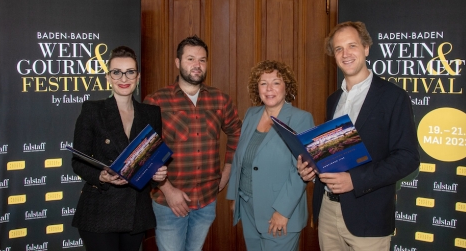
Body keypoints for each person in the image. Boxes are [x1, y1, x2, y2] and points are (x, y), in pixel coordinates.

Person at [297, 21, 420, 251]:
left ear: (366, 48)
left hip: (369, 218)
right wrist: (311, 169)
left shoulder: (393, 96)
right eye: (338, 49)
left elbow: (407, 158)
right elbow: (335, 154)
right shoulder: (333, 100)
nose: (346, 54)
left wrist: (355, 180)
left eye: (352, 45)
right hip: (327, 212)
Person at [144, 35, 242, 251]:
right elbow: (145, 152)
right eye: (190, 59)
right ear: (178, 63)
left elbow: (237, 132)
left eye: (202, 60)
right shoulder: (156, 101)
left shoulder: (220, 100)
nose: (197, 65)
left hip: (207, 198)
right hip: (169, 202)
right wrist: (167, 190)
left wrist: (227, 172)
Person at [71, 46, 168, 251]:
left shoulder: (151, 113)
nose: (123, 78)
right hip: (99, 211)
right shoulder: (92, 111)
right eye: (117, 72)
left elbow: (149, 162)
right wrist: (101, 176)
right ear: (108, 76)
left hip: (135, 213)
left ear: (138, 76)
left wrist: (158, 173)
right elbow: (77, 162)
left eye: (130, 72)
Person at [226, 60, 314, 251]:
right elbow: (240, 156)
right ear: (256, 88)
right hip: (249, 208)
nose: (269, 89)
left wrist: (283, 211)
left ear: (286, 87)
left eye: (276, 82)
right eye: (263, 83)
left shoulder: (301, 119)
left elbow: (302, 171)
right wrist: (235, 197)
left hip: (280, 213)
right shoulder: (251, 114)